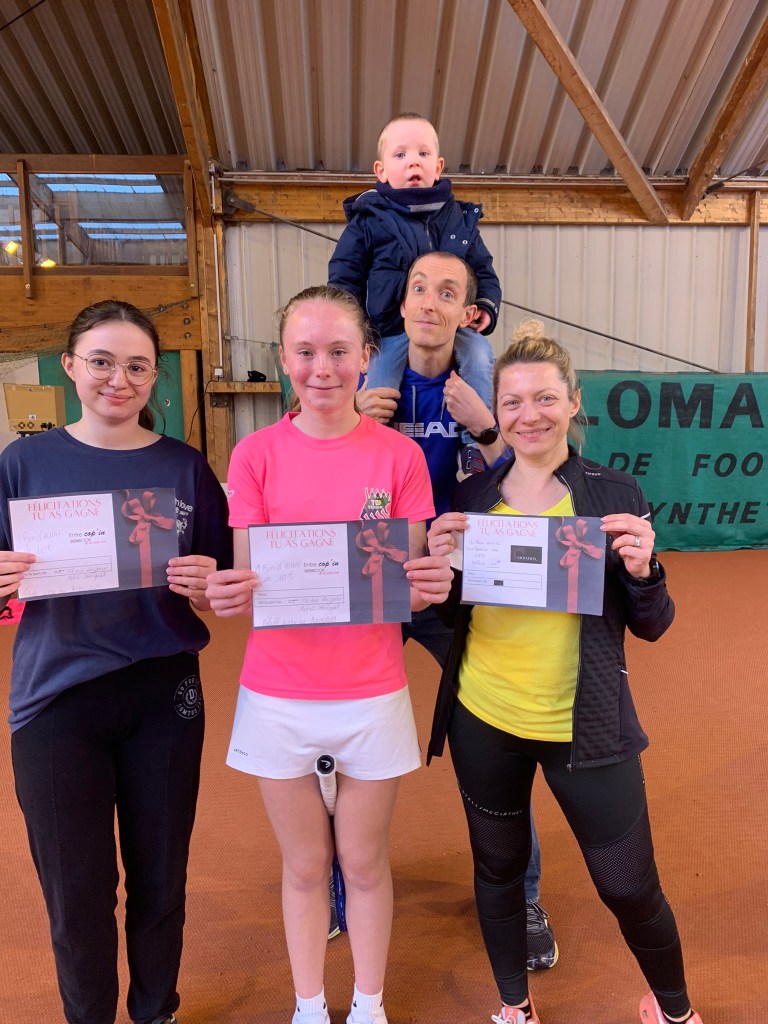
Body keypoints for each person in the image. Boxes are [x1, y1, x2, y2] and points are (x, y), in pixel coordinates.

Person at [426, 321, 704, 1024]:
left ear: (574, 401)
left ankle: (675, 1011)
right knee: (498, 872)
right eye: (513, 402)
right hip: (485, 719)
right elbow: (455, 614)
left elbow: (653, 623)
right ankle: (514, 1008)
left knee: (629, 887)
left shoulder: (615, 494)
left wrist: (645, 569)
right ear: (497, 410)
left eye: (545, 398)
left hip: (587, 727)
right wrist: (441, 571)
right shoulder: (472, 499)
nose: (530, 416)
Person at [204, 285, 452, 1024]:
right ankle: (309, 1005)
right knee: (306, 865)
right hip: (277, 696)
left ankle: (369, 1005)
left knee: (365, 863)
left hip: (371, 692)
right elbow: (249, 581)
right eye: (305, 352)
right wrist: (226, 593)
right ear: (283, 359)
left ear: (366, 358)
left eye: (340, 351)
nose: (323, 368)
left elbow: (407, 587)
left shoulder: (401, 456)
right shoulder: (254, 455)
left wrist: (430, 586)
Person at [0, 300, 232, 1024]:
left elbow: (223, 578)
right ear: (70, 366)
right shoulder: (23, 463)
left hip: (164, 694)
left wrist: (209, 583)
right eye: (101, 361)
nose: (118, 379)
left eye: (136, 365)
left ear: (153, 376)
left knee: (161, 879)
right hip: (56, 699)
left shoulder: (184, 467)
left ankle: (156, 1011)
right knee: (77, 893)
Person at [358, 253, 559, 972]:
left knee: (497, 736)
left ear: (468, 312)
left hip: (460, 581)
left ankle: (523, 894)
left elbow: (541, 476)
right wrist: (352, 422)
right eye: (419, 289)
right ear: (403, 304)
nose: (429, 303)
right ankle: (337, 882)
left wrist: (486, 429)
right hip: (374, 578)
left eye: (448, 293)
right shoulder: (361, 381)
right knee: (341, 733)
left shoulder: (487, 390)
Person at [328, 112, 501, 418]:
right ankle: (372, 439)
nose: (413, 162)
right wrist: (356, 328)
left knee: (479, 353)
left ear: (438, 167)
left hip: (448, 328)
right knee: (376, 388)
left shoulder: (459, 218)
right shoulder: (368, 219)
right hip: (387, 330)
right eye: (400, 155)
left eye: (423, 153)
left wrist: (486, 304)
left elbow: (482, 268)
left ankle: (476, 436)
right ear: (381, 170)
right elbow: (345, 277)